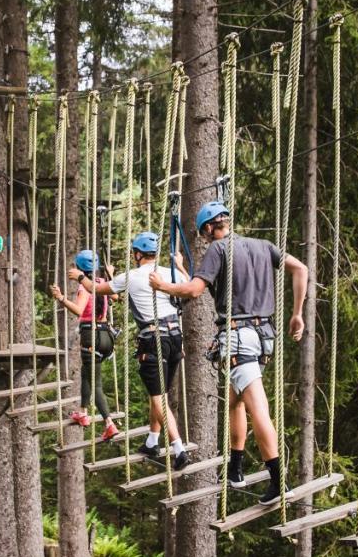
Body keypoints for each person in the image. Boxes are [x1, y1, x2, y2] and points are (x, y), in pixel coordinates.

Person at [150, 201, 307, 504]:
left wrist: (163, 286)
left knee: (258, 408)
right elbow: (301, 268)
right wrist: (297, 313)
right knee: (236, 401)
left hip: (239, 337)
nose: (206, 239)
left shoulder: (218, 249)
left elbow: (195, 290)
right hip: (263, 338)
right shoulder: (262, 246)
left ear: (209, 228)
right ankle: (235, 468)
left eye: (205, 233)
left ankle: (278, 482)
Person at [70, 231, 192, 470]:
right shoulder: (170, 273)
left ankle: (179, 448)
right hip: (175, 338)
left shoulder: (132, 276)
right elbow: (189, 287)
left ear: (137, 254)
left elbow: (96, 288)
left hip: (153, 339)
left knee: (158, 398)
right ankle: (152, 440)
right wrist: (179, 265)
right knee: (158, 394)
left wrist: (79, 277)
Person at [49, 250, 117, 438]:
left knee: (96, 384)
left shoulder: (84, 288)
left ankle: (109, 423)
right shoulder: (102, 283)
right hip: (106, 337)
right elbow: (116, 297)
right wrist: (110, 275)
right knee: (87, 373)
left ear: (79, 268)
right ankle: (83, 412)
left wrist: (61, 299)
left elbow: (79, 310)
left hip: (91, 337)